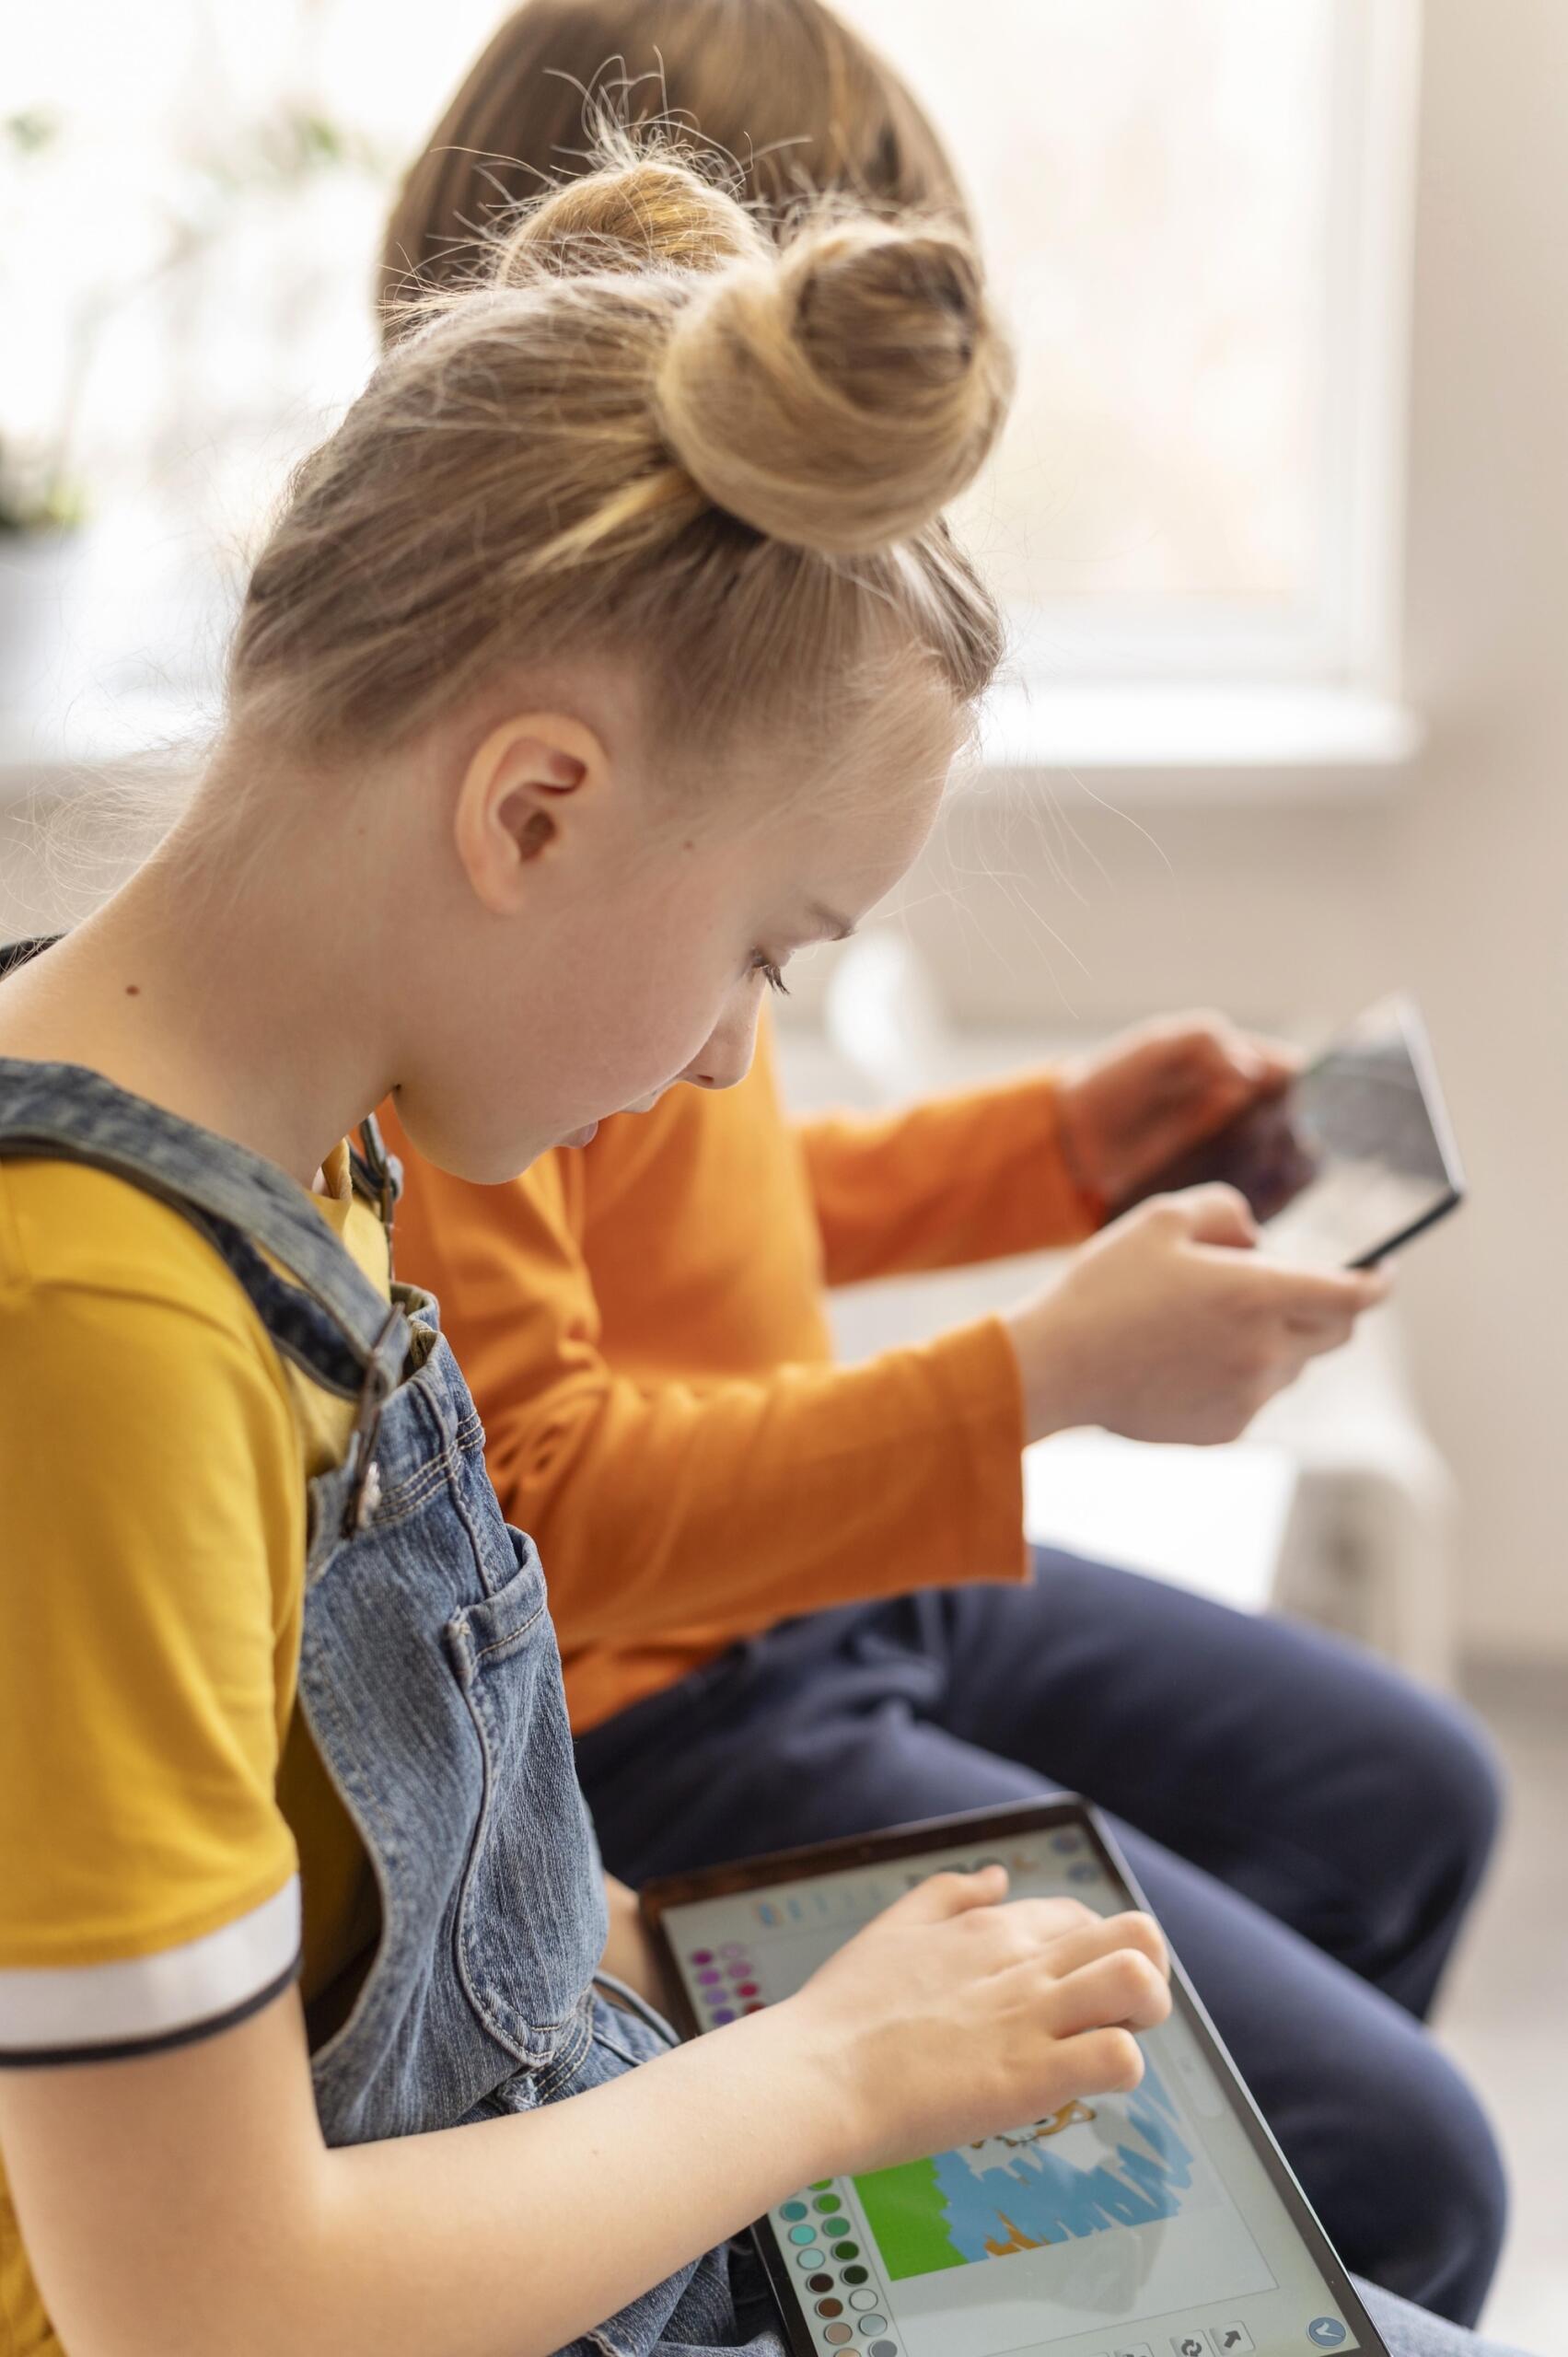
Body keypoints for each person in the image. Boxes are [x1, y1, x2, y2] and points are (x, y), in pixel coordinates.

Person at [0, 138, 1530, 2357]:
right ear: (534, 807)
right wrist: (827, 2068)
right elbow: (208, 2303)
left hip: (589, 2153)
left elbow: (441, 1875)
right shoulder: (99, 1332)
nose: (733, 1061)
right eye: (766, 951)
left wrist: (778, 1973)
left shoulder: (295, 1130)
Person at [377, 0, 1506, 2327]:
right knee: (1397, 2152)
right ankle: (1102, 2259)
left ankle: (1134, 2255)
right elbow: (550, 1488)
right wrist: (1038, 1380)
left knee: (1409, 1791)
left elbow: (696, 1196)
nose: (736, 1025)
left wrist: (1048, 1154)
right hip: (651, 1696)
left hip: (818, 1577)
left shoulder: (650, 826)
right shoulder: (491, 840)